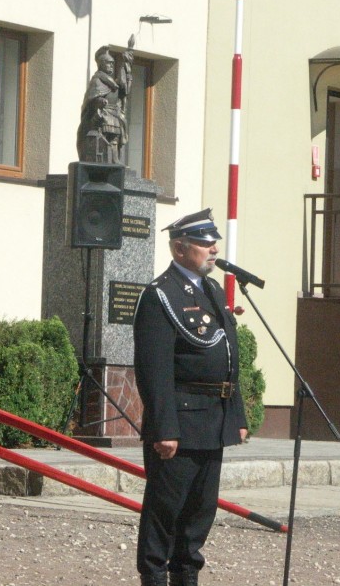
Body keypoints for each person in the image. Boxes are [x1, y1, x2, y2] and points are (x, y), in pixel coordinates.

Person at [133, 208, 248, 586]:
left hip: (212, 421)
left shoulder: (211, 290)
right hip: (179, 423)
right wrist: (164, 427)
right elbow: (155, 370)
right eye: (204, 242)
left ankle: (186, 578)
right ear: (180, 248)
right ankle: (153, 578)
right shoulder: (160, 295)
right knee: (165, 512)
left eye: (213, 241)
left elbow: (229, 358)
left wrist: (238, 416)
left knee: (200, 513)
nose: (213, 248)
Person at [76, 42, 133, 164]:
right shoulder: (97, 80)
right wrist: (99, 102)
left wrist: (125, 65)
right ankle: (105, 158)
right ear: (101, 64)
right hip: (103, 113)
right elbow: (91, 99)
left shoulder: (112, 82)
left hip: (115, 113)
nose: (111, 66)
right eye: (109, 63)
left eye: (113, 63)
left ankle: (115, 158)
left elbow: (121, 90)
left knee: (117, 131)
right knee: (107, 129)